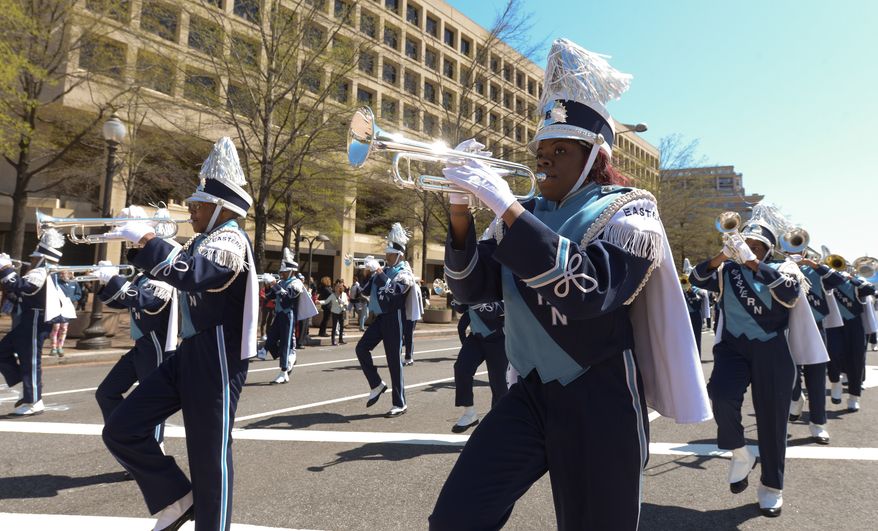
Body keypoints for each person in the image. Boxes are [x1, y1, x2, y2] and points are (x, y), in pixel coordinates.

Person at [430, 39, 710, 530]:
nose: (545, 160)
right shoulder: (525, 214)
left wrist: (505, 205)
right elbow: (473, 291)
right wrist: (458, 209)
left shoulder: (629, 210)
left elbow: (587, 291)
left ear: (592, 156)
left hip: (599, 398)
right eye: (541, 150)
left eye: (561, 150)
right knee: (457, 516)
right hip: (531, 393)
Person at [100, 137, 258, 531]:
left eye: (198, 203)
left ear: (221, 207)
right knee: (122, 427)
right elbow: (179, 268)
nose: (190, 209)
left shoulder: (231, 238)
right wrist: (143, 242)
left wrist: (148, 239)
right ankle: (175, 497)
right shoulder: (205, 238)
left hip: (218, 352)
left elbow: (194, 274)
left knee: (209, 456)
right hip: (191, 351)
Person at [690, 205, 827, 517]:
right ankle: (740, 452)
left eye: (756, 246)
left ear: (767, 250)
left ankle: (771, 487)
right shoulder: (726, 271)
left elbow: (790, 294)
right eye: (745, 244)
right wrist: (722, 255)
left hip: (773, 351)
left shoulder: (784, 270)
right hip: (734, 348)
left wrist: (752, 262)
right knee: (721, 397)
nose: (748, 249)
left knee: (772, 423)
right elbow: (697, 277)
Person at [94, 252, 177, 468]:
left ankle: (153, 451)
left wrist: (114, 279)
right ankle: (128, 438)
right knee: (106, 392)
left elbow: (140, 299)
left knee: (153, 402)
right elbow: (119, 302)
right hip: (141, 346)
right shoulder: (143, 278)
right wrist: (105, 282)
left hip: (157, 348)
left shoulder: (164, 283)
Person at [0, 228, 72, 416]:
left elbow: (18, 286)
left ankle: (33, 401)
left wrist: (6, 268)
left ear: (41, 258)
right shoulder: (40, 271)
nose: (30, 259)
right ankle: (27, 388)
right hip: (28, 320)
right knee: (3, 351)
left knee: (31, 362)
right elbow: (18, 292)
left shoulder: (41, 272)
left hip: (35, 321)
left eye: (34, 257)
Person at [355, 223, 422, 418]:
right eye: (387, 254)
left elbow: (395, 293)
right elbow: (365, 292)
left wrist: (379, 273)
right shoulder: (384, 270)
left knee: (394, 361)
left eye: (391, 254)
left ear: (399, 255)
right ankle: (376, 384)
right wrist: (366, 271)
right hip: (381, 318)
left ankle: (400, 403)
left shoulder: (405, 273)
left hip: (395, 318)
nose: (387, 257)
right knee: (361, 348)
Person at [790, 255, 845, 444]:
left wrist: (812, 264)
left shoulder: (815, 271)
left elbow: (839, 280)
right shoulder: (778, 267)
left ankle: (818, 424)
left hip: (815, 327)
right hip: (786, 328)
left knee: (816, 379)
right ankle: (796, 398)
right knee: (789, 374)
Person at [449, 298, 508, 433]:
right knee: (462, 368)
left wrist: (471, 295)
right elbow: (460, 308)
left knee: (498, 383)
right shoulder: (472, 287)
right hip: (476, 337)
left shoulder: (501, 281)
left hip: (499, 338)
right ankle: (469, 413)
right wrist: (460, 292)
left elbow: (491, 311)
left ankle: (500, 423)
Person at [824, 266, 875, 411]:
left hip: (854, 324)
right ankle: (835, 382)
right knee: (832, 354)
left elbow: (870, 289)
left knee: (856, 360)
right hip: (833, 323)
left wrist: (851, 278)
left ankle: (853, 397)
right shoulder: (828, 281)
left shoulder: (855, 283)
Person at [261, 249, 315, 384]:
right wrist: (267, 286)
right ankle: (287, 356)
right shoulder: (282, 282)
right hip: (278, 315)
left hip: (288, 315)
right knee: (271, 339)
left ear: (291, 271)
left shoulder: (296, 283)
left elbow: (287, 299)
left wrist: (274, 284)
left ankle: (284, 371)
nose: (281, 273)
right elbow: (270, 297)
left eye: (284, 271)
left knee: (285, 343)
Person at [49, 270, 82, 357]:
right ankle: (53, 347)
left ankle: (60, 347)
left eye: (65, 273)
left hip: (67, 308)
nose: (63, 275)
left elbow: (78, 294)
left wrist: (71, 299)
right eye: (62, 273)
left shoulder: (74, 283)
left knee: (64, 328)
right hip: (57, 307)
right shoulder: (57, 283)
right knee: (56, 327)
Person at [681, 274, 705, 358]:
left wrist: (690, 291)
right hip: (684, 316)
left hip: (695, 316)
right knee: (685, 339)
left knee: (696, 338)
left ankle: (697, 357)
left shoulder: (696, 290)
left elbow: (698, 303)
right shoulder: (680, 290)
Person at [320, 280, 350, 345]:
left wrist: (344, 303)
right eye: (336, 287)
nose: (336, 288)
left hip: (342, 311)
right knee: (334, 326)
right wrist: (319, 302)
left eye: (338, 287)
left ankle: (340, 339)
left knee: (342, 326)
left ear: (341, 288)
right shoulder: (333, 295)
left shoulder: (344, 294)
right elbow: (326, 301)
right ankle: (333, 341)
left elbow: (347, 302)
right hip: (335, 312)